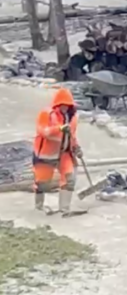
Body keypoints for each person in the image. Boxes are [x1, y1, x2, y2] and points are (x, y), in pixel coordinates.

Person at [32, 87, 83, 216]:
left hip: (65, 153)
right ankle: (39, 207)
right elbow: (43, 131)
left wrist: (76, 147)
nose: (65, 108)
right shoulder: (46, 114)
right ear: (57, 104)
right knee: (42, 183)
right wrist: (59, 128)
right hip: (46, 154)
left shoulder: (72, 117)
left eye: (67, 105)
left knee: (69, 179)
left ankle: (64, 209)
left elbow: (72, 135)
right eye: (63, 105)